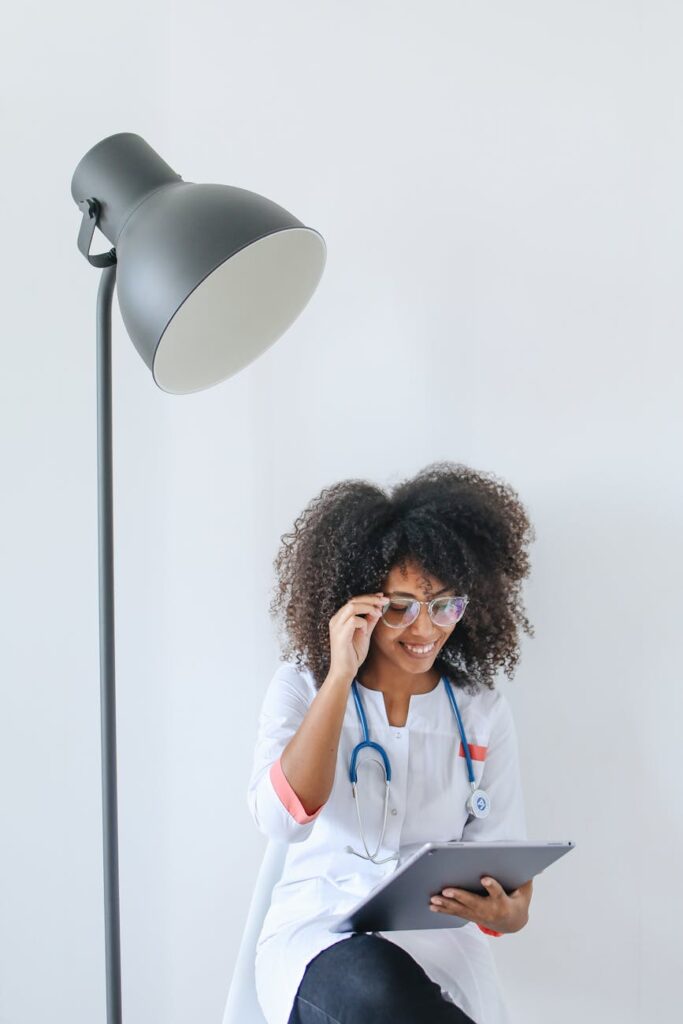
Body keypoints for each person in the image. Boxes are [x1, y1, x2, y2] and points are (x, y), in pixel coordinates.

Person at [247, 461, 536, 1024]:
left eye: (445, 605)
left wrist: (507, 913)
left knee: (398, 995)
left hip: (438, 950)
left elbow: (509, 883)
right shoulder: (302, 687)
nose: (425, 630)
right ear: (358, 600)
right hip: (321, 938)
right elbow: (284, 821)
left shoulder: (481, 712)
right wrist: (338, 676)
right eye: (400, 606)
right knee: (375, 988)